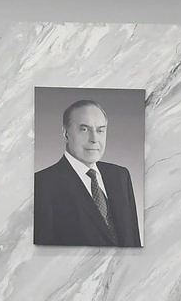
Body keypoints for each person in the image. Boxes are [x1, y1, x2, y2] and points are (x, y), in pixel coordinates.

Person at [33, 97, 143, 247]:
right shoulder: (42, 184)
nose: (94, 139)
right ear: (65, 133)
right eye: (84, 129)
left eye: (100, 130)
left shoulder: (120, 176)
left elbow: (134, 240)